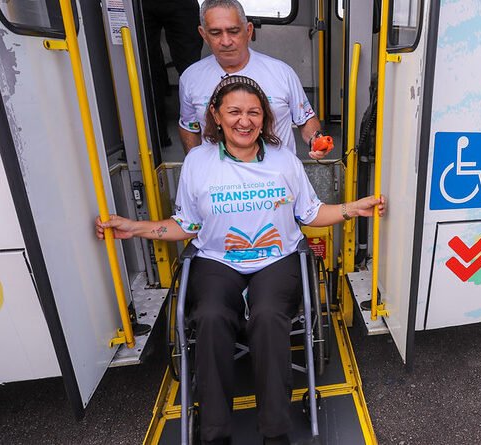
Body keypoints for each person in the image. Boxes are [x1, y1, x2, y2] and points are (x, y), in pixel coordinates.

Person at [95, 75, 386, 445]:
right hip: (218, 261)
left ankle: (275, 433)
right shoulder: (198, 162)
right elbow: (186, 225)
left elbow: (311, 214)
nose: (244, 121)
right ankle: (214, 434)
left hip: (277, 259)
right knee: (211, 316)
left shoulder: (283, 160)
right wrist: (135, 227)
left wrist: (352, 208)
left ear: (264, 118)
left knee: (268, 315)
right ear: (216, 115)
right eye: (234, 112)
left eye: (254, 112)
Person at [179, 0, 330, 160]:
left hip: (278, 172)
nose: (226, 41)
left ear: (248, 31)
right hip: (219, 174)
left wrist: (316, 140)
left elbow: (305, 119)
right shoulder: (191, 77)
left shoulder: (282, 73)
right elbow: (189, 127)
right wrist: (194, 163)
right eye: (215, 33)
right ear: (203, 34)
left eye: (233, 31)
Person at [142, 0, 203, 148]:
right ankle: (156, 137)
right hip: (140, 5)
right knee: (145, 67)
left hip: (180, 4)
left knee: (191, 70)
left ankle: (203, 136)